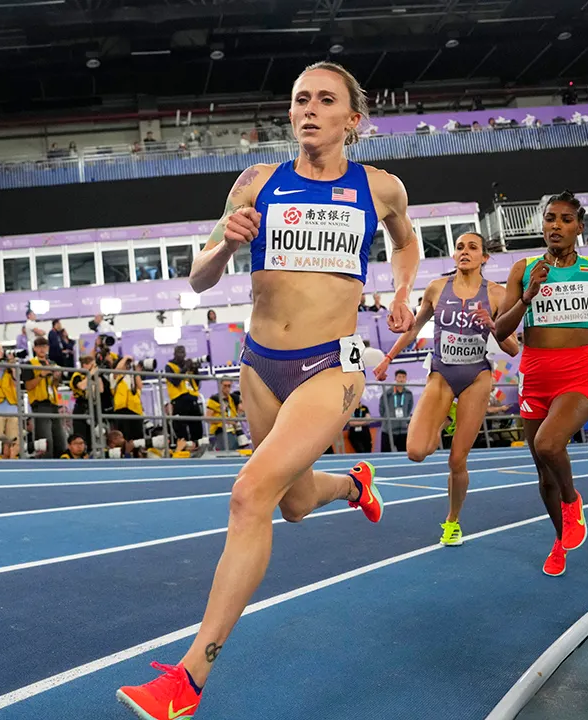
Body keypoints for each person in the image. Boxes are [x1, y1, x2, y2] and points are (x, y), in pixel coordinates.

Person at [117, 60, 420, 719]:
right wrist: (224, 247)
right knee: (296, 502)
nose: (309, 109)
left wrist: (400, 290)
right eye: (300, 99)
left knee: (251, 495)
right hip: (260, 365)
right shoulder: (257, 182)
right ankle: (355, 485)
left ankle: (190, 679)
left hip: (331, 365)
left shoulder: (379, 186)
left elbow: (406, 240)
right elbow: (197, 278)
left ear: (352, 119)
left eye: (325, 100)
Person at [492, 191, 588, 577]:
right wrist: (527, 296)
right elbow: (501, 332)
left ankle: (573, 499)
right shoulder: (523, 268)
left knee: (548, 443)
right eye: (549, 219)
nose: (555, 226)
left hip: (577, 374)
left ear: (579, 227)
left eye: (564, 219)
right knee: (543, 472)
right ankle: (561, 539)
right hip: (535, 376)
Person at [375, 232, 519, 546]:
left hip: (475, 378)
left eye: (472, 248)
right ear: (454, 255)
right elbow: (413, 328)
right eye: (459, 247)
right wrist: (388, 357)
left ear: (484, 257)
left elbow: (513, 348)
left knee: (457, 460)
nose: (464, 252)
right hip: (441, 373)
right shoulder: (437, 288)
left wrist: (492, 326)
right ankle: (446, 412)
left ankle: (452, 522)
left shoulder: (496, 294)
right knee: (416, 452)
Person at [25, 337, 66, 458]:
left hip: (53, 404)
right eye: (39, 347)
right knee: (46, 440)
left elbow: (55, 385)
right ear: (34, 349)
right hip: (40, 404)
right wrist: (41, 375)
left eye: (44, 346)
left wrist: (56, 377)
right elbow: (28, 386)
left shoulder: (53, 364)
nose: (42, 349)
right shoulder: (30, 364)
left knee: (60, 439)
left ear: (48, 348)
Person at [164, 346, 204, 446]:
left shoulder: (188, 365)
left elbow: (197, 384)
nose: (181, 355)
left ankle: (197, 447)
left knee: (197, 428)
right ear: (174, 354)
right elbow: (175, 381)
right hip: (179, 400)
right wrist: (185, 368)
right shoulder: (169, 366)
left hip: (192, 399)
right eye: (179, 353)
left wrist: (195, 370)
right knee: (181, 430)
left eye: (183, 353)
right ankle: (184, 449)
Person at [382, 369, 414, 451]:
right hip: (388, 430)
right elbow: (382, 408)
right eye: (399, 377)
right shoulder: (388, 393)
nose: (401, 379)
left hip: (403, 430)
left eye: (403, 377)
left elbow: (409, 408)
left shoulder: (408, 394)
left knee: (404, 454)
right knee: (386, 455)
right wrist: (387, 420)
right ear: (395, 378)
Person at [205, 378, 241, 450]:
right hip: (220, 430)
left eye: (229, 386)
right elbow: (207, 418)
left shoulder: (233, 398)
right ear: (220, 385)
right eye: (225, 386)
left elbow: (243, 409)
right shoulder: (214, 399)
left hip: (233, 430)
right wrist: (225, 420)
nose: (227, 388)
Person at [69, 355, 95, 450]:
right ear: (85, 365)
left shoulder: (92, 376)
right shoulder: (77, 375)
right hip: (80, 407)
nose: (94, 368)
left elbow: (101, 390)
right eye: (92, 365)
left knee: (92, 436)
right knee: (80, 435)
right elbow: (81, 386)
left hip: (91, 407)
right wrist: (90, 374)